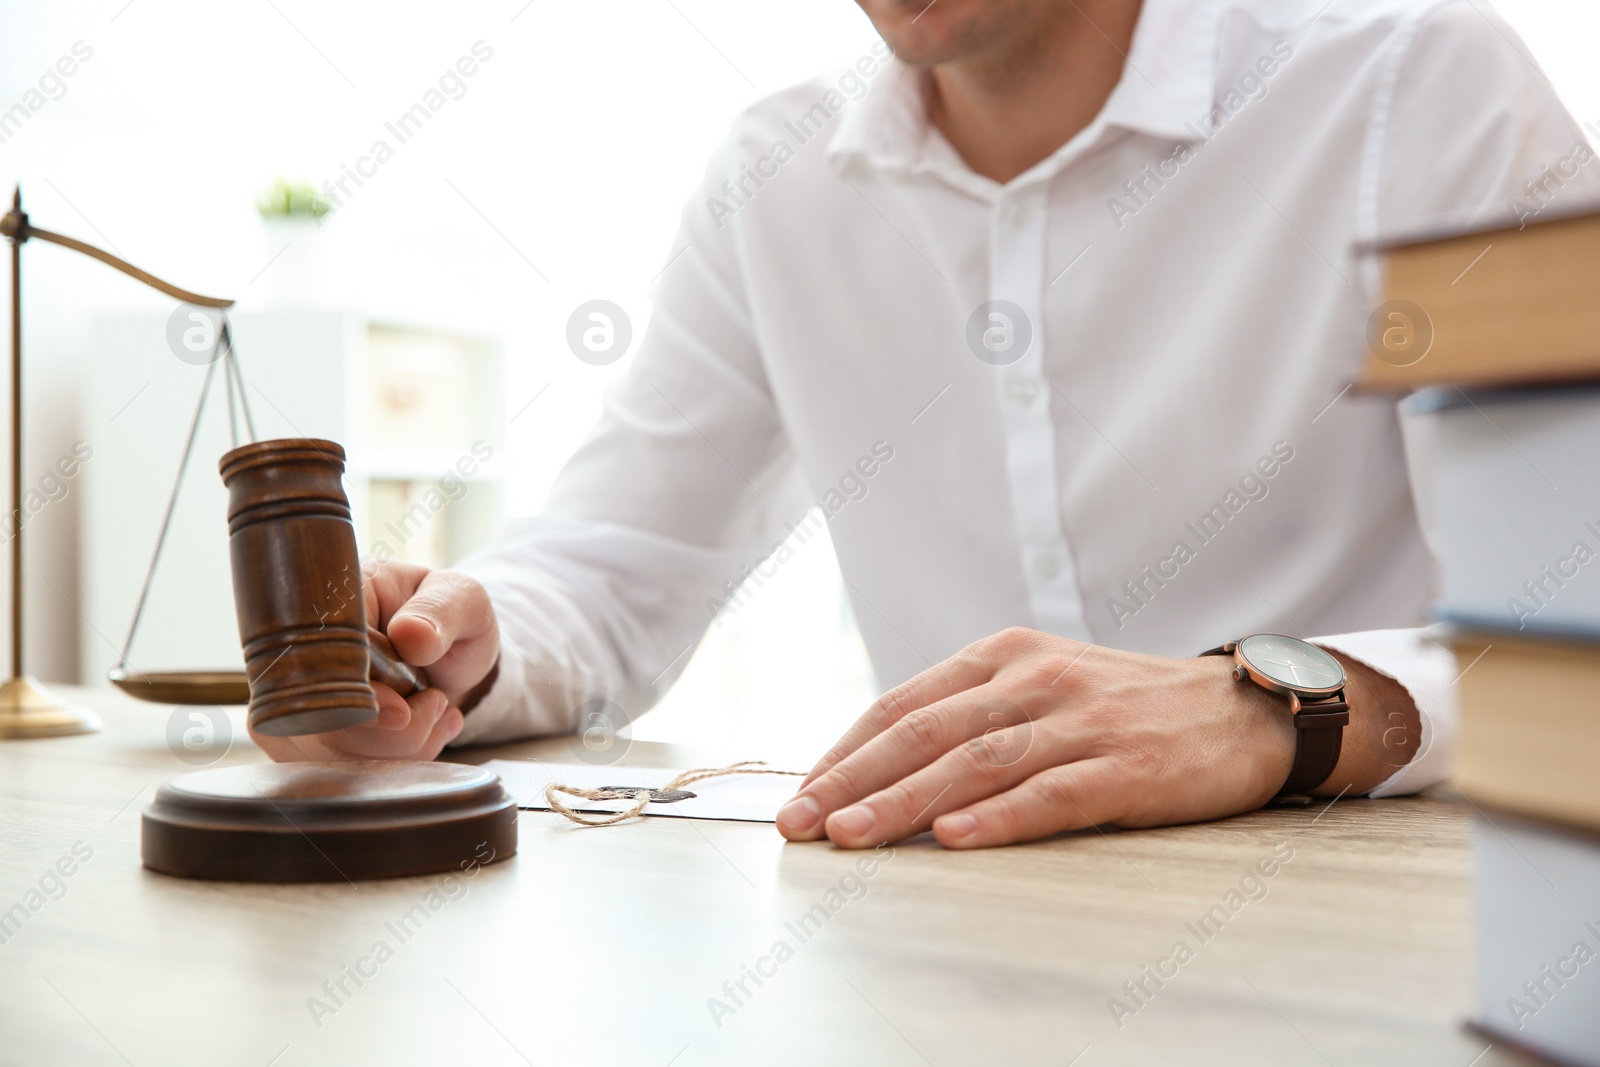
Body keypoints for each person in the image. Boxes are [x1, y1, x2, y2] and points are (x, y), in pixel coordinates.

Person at [253, 0, 1598, 849]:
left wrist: (1267, 713)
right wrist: (451, 656)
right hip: (945, 945)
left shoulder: (1428, 92)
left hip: (1380, 955)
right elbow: (616, 560)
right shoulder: (770, 177)